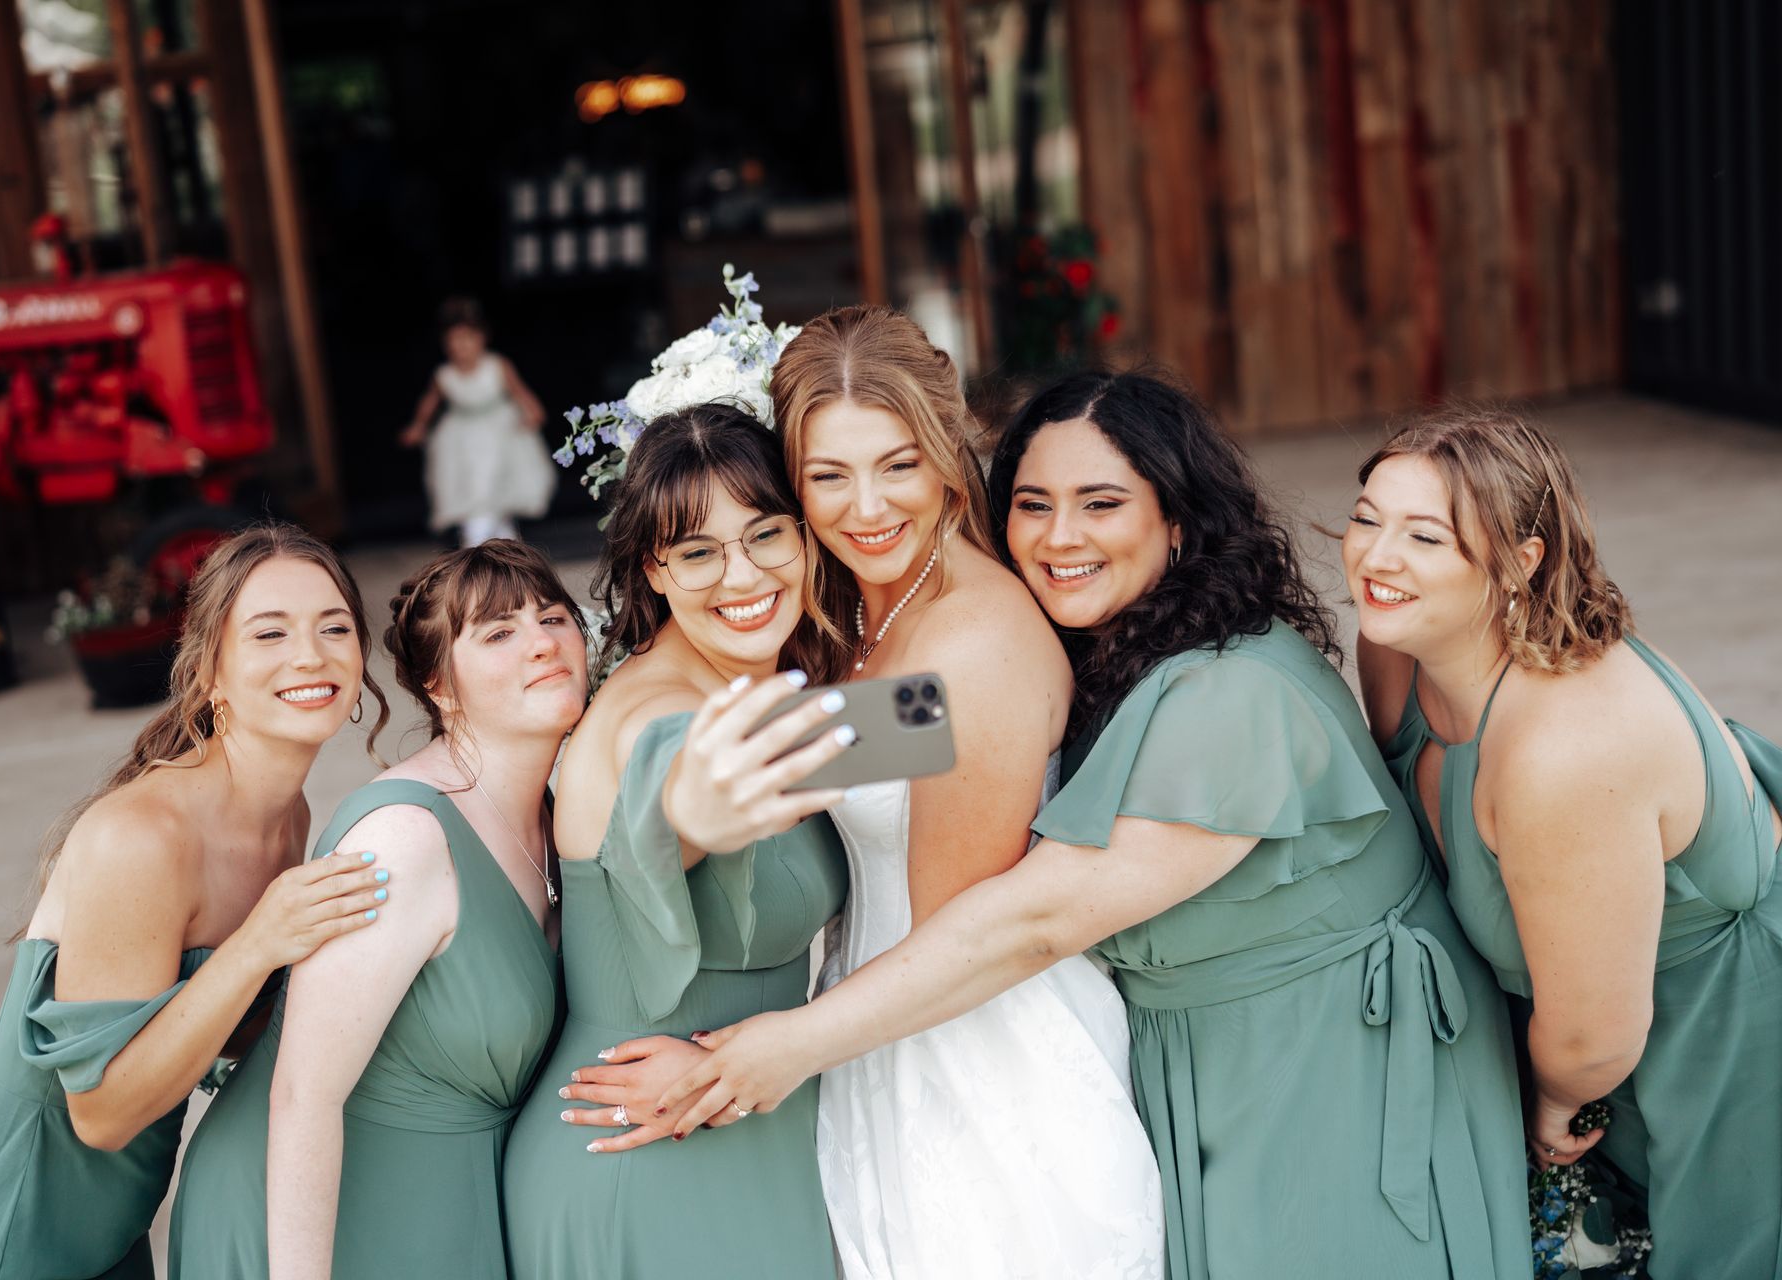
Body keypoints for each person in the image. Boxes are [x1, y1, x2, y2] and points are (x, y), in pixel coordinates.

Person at [656, 371, 1534, 1280]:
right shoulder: (1096, 639)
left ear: (1177, 518)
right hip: (1203, 1064)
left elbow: (1031, 921)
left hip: (1335, 1062)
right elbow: (887, 728)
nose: (1060, 536)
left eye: (1101, 503)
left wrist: (782, 1049)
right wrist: (650, 691)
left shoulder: (1230, 695)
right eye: (1034, 504)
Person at [612, 309, 1164, 1279]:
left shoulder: (971, 638)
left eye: (898, 465)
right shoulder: (864, 617)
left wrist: (756, 1058)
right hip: (877, 1039)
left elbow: (965, 939)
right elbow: (812, 755)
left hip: (983, 1068)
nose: (865, 507)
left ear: (948, 453)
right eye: (828, 476)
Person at [0, 524, 390, 1280]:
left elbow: (216, 1027)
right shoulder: (143, 836)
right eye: (270, 633)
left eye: (333, 627)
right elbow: (102, 1114)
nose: (309, 655)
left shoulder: (288, 817)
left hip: (106, 1230)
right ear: (209, 671)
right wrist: (259, 943)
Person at [1343, 406, 1782, 1280]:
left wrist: (1548, 1108)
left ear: (1520, 561)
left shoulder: (1563, 752)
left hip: (1716, 1046)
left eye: (1424, 537)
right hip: (1583, 1021)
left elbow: (1595, 1037)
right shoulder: (1399, 644)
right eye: (1366, 518)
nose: (1377, 558)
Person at [167, 539, 584, 1279]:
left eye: (553, 618)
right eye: (498, 633)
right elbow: (303, 1096)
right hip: (307, 1228)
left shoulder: (556, 818)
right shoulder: (404, 838)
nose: (543, 643)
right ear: (441, 687)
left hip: (441, 1209)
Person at [500, 404, 852, 1279]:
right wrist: (699, 812)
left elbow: (935, 723)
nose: (742, 574)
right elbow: (680, 784)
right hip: (638, 1148)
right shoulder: (658, 711)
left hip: (748, 1132)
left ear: (806, 537)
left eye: (766, 534)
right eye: (699, 552)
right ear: (655, 570)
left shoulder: (776, 694)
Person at [398, 297, 555, 546]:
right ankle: (480, 541)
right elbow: (429, 403)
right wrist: (418, 426)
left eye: (467, 339)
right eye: (453, 342)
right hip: (461, 442)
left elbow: (519, 391)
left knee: (497, 489)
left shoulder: (497, 365)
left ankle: (500, 542)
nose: (461, 347)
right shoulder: (445, 375)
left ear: (481, 338)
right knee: (473, 491)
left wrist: (534, 410)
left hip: (500, 435)